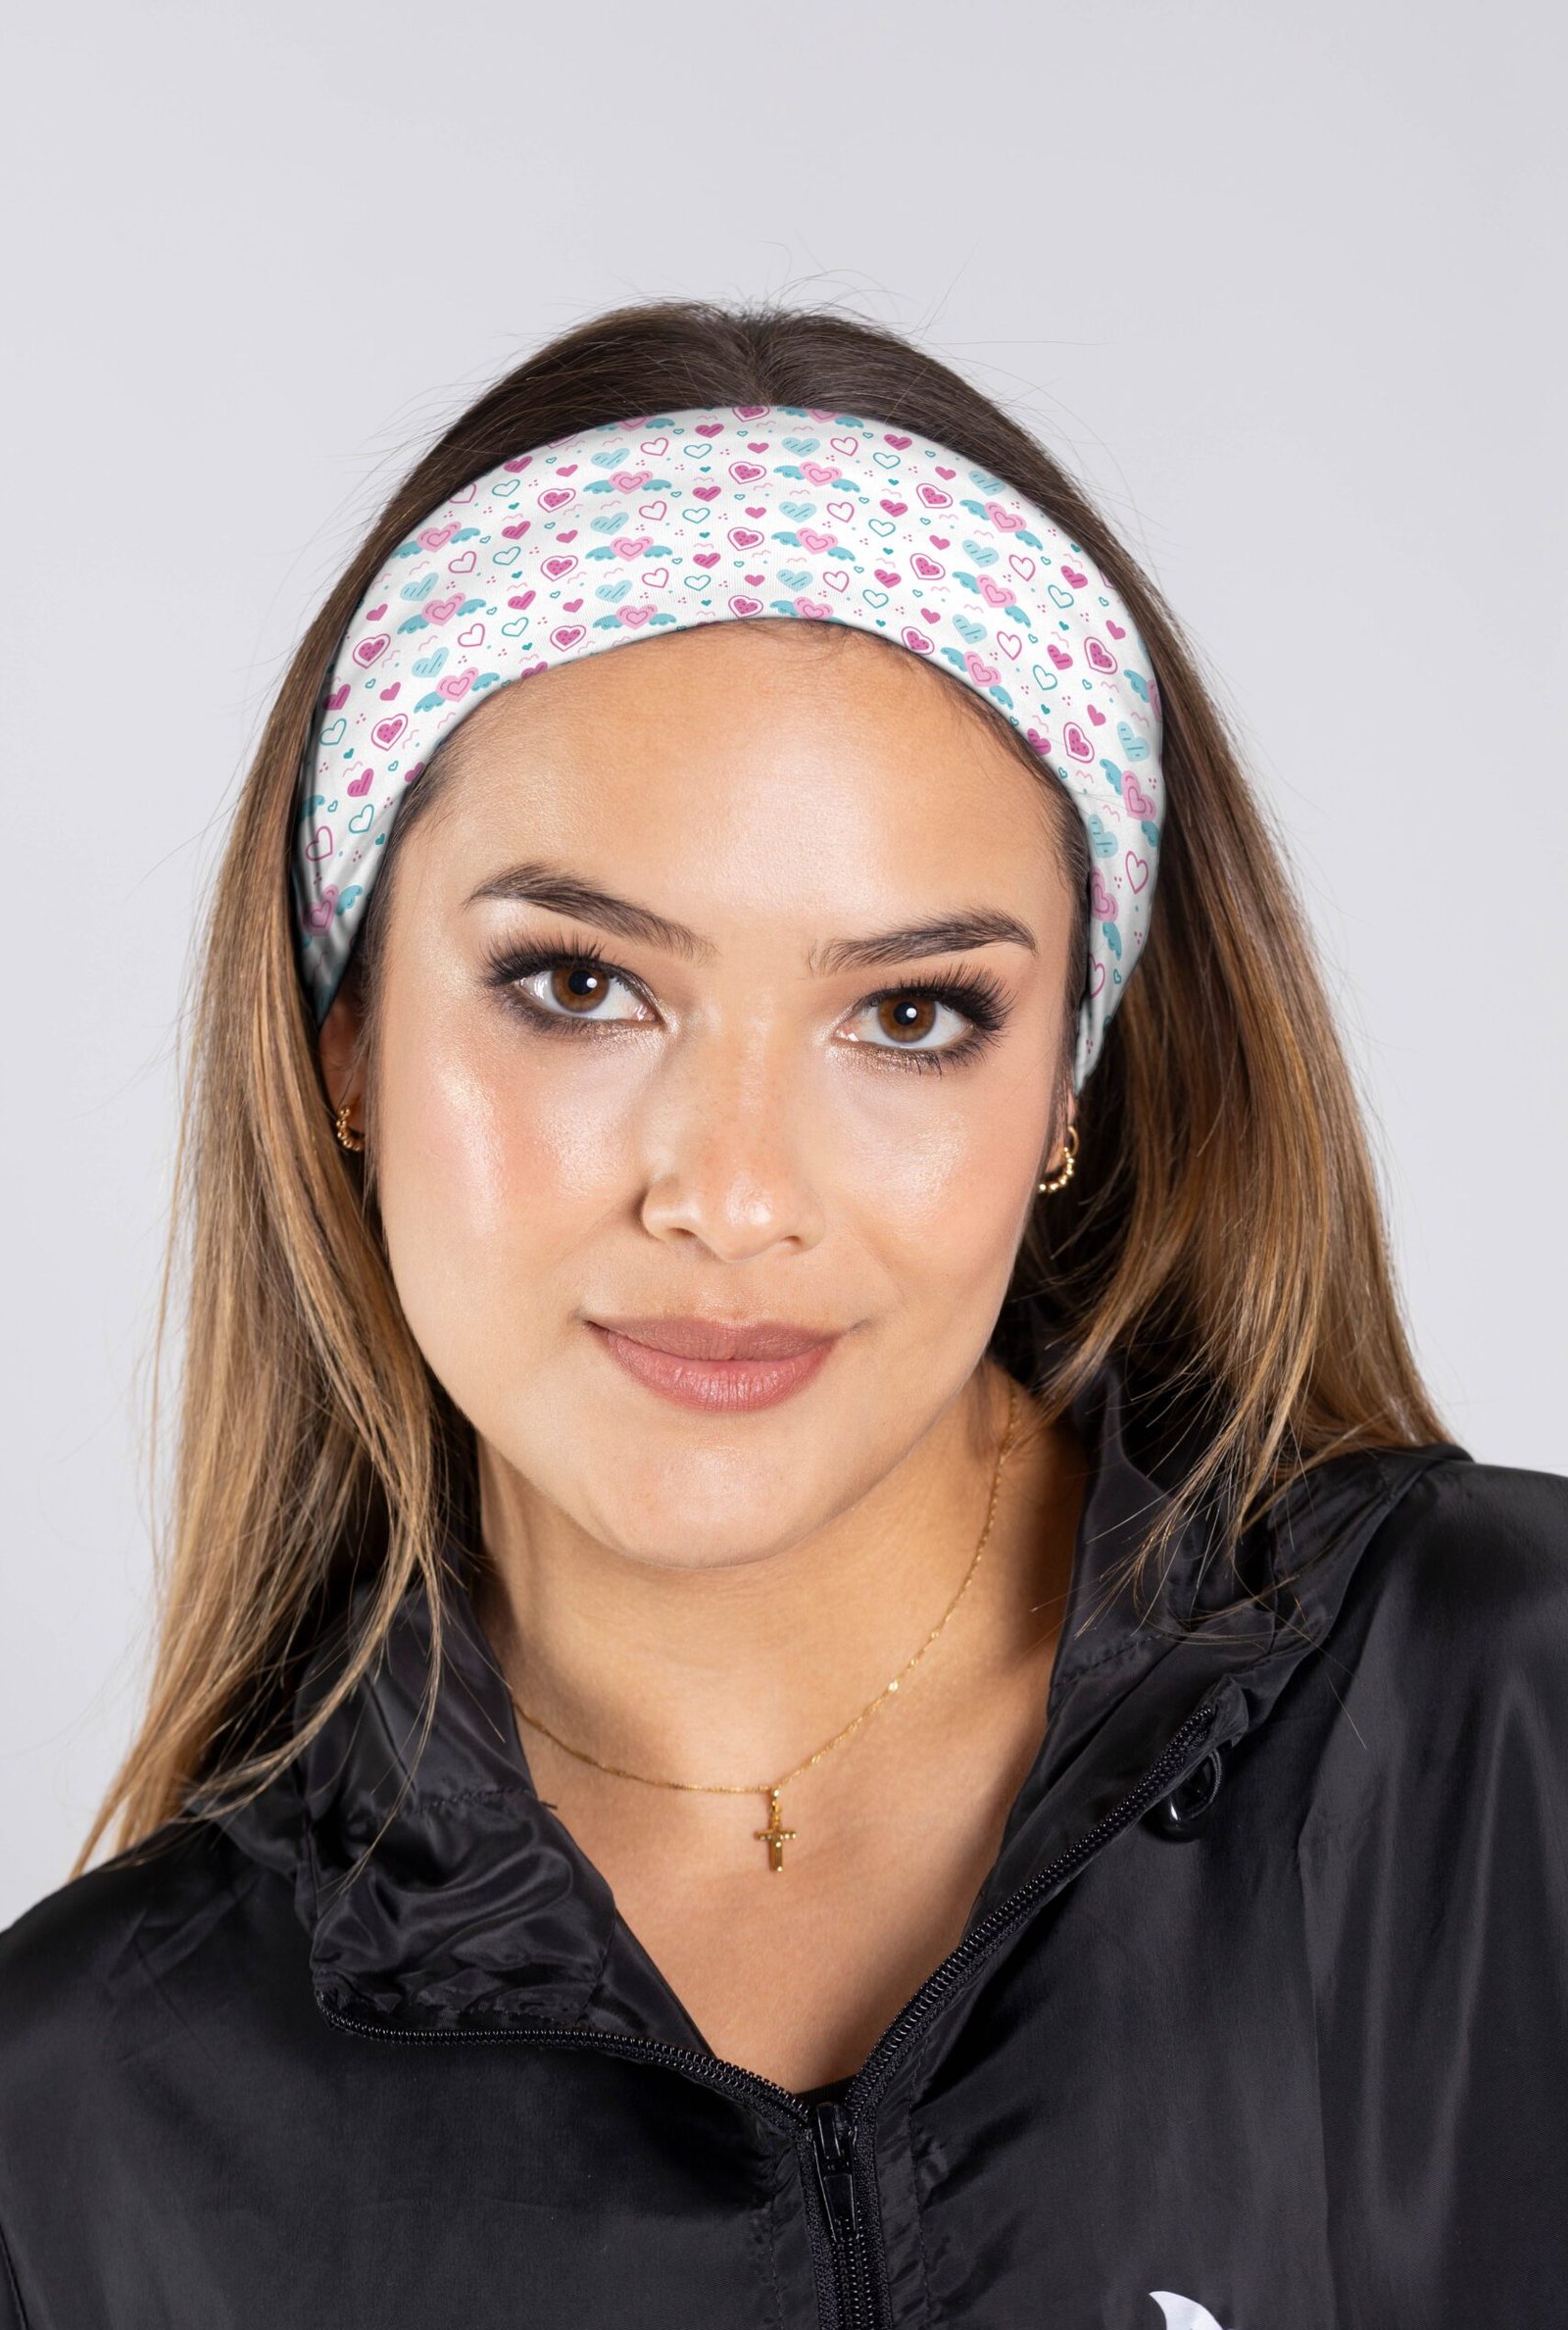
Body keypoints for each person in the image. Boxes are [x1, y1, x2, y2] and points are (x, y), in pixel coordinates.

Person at [1, 300, 1564, 2330]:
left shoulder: (1512, 1735)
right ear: (347, 1046)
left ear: (1066, 1086)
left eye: (908, 1015)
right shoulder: (78, 2136)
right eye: (580, 986)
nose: (731, 1197)